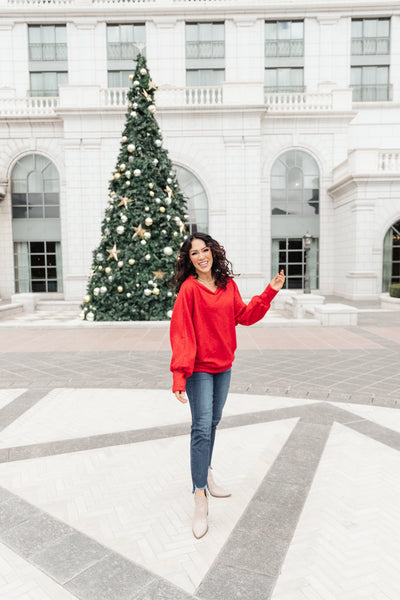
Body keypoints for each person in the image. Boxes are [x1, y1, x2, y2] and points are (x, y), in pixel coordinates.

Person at [169, 232, 285, 539]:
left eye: (204, 250)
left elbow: (244, 317)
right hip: (198, 369)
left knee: (214, 422)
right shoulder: (189, 290)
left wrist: (269, 292)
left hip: (223, 367)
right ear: (189, 259)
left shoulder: (226, 285)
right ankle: (199, 498)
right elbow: (180, 333)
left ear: (213, 252)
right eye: (194, 253)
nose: (201, 256)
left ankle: (206, 474)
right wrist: (179, 375)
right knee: (201, 427)